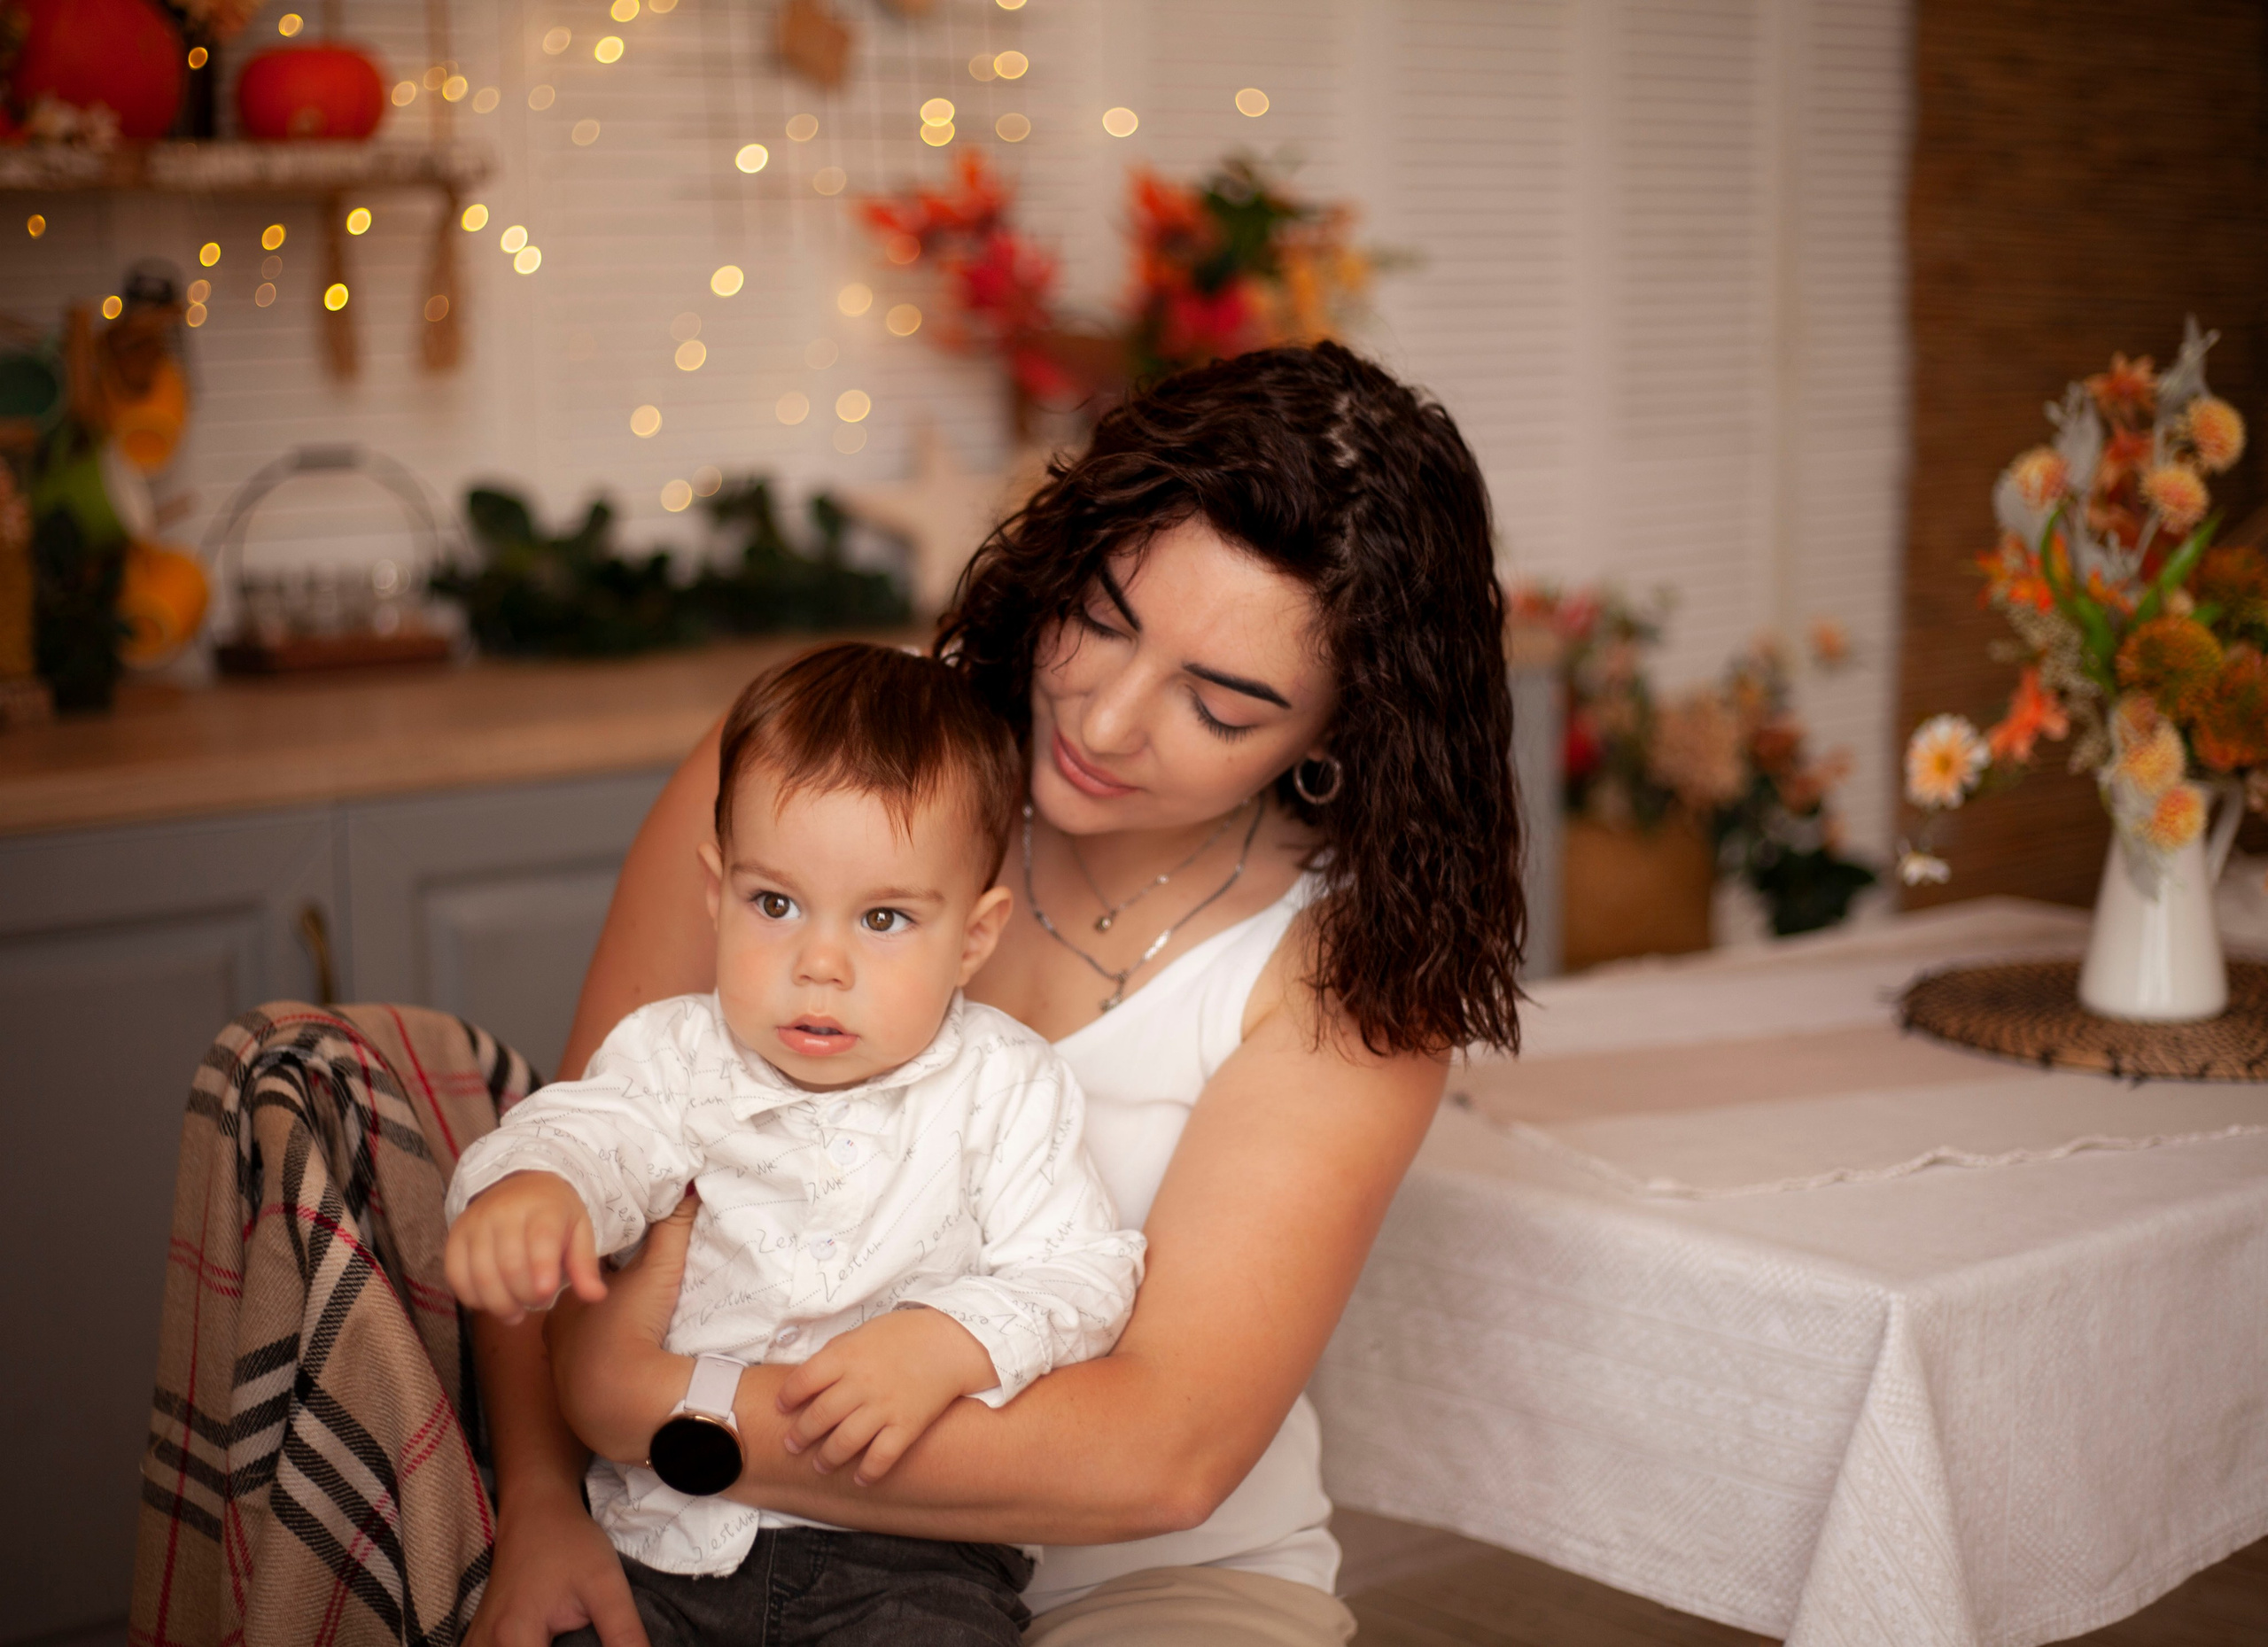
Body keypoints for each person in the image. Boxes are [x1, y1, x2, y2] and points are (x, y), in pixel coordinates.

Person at [469, 341, 1526, 1647]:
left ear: (1338, 734)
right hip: (688, 1544)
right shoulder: (813, 785)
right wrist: (539, 1494)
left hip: (1153, 1578)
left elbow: (1165, 1453)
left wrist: (652, 1405)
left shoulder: (1350, 970)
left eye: (1221, 702)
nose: (1103, 716)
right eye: (1103, 617)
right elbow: (579, 1159)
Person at [445, 643, 1146, 1645]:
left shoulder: (1006, 1084)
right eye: (774, 904)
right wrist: (536, 1185)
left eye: (885, 918)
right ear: (715, 890)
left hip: (907, 1560)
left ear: (974, 938)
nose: (820, 963)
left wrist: (946, 1342)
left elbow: (1082, 1274)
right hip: (660, 1537)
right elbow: (591, 1133)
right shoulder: (671, 1054)